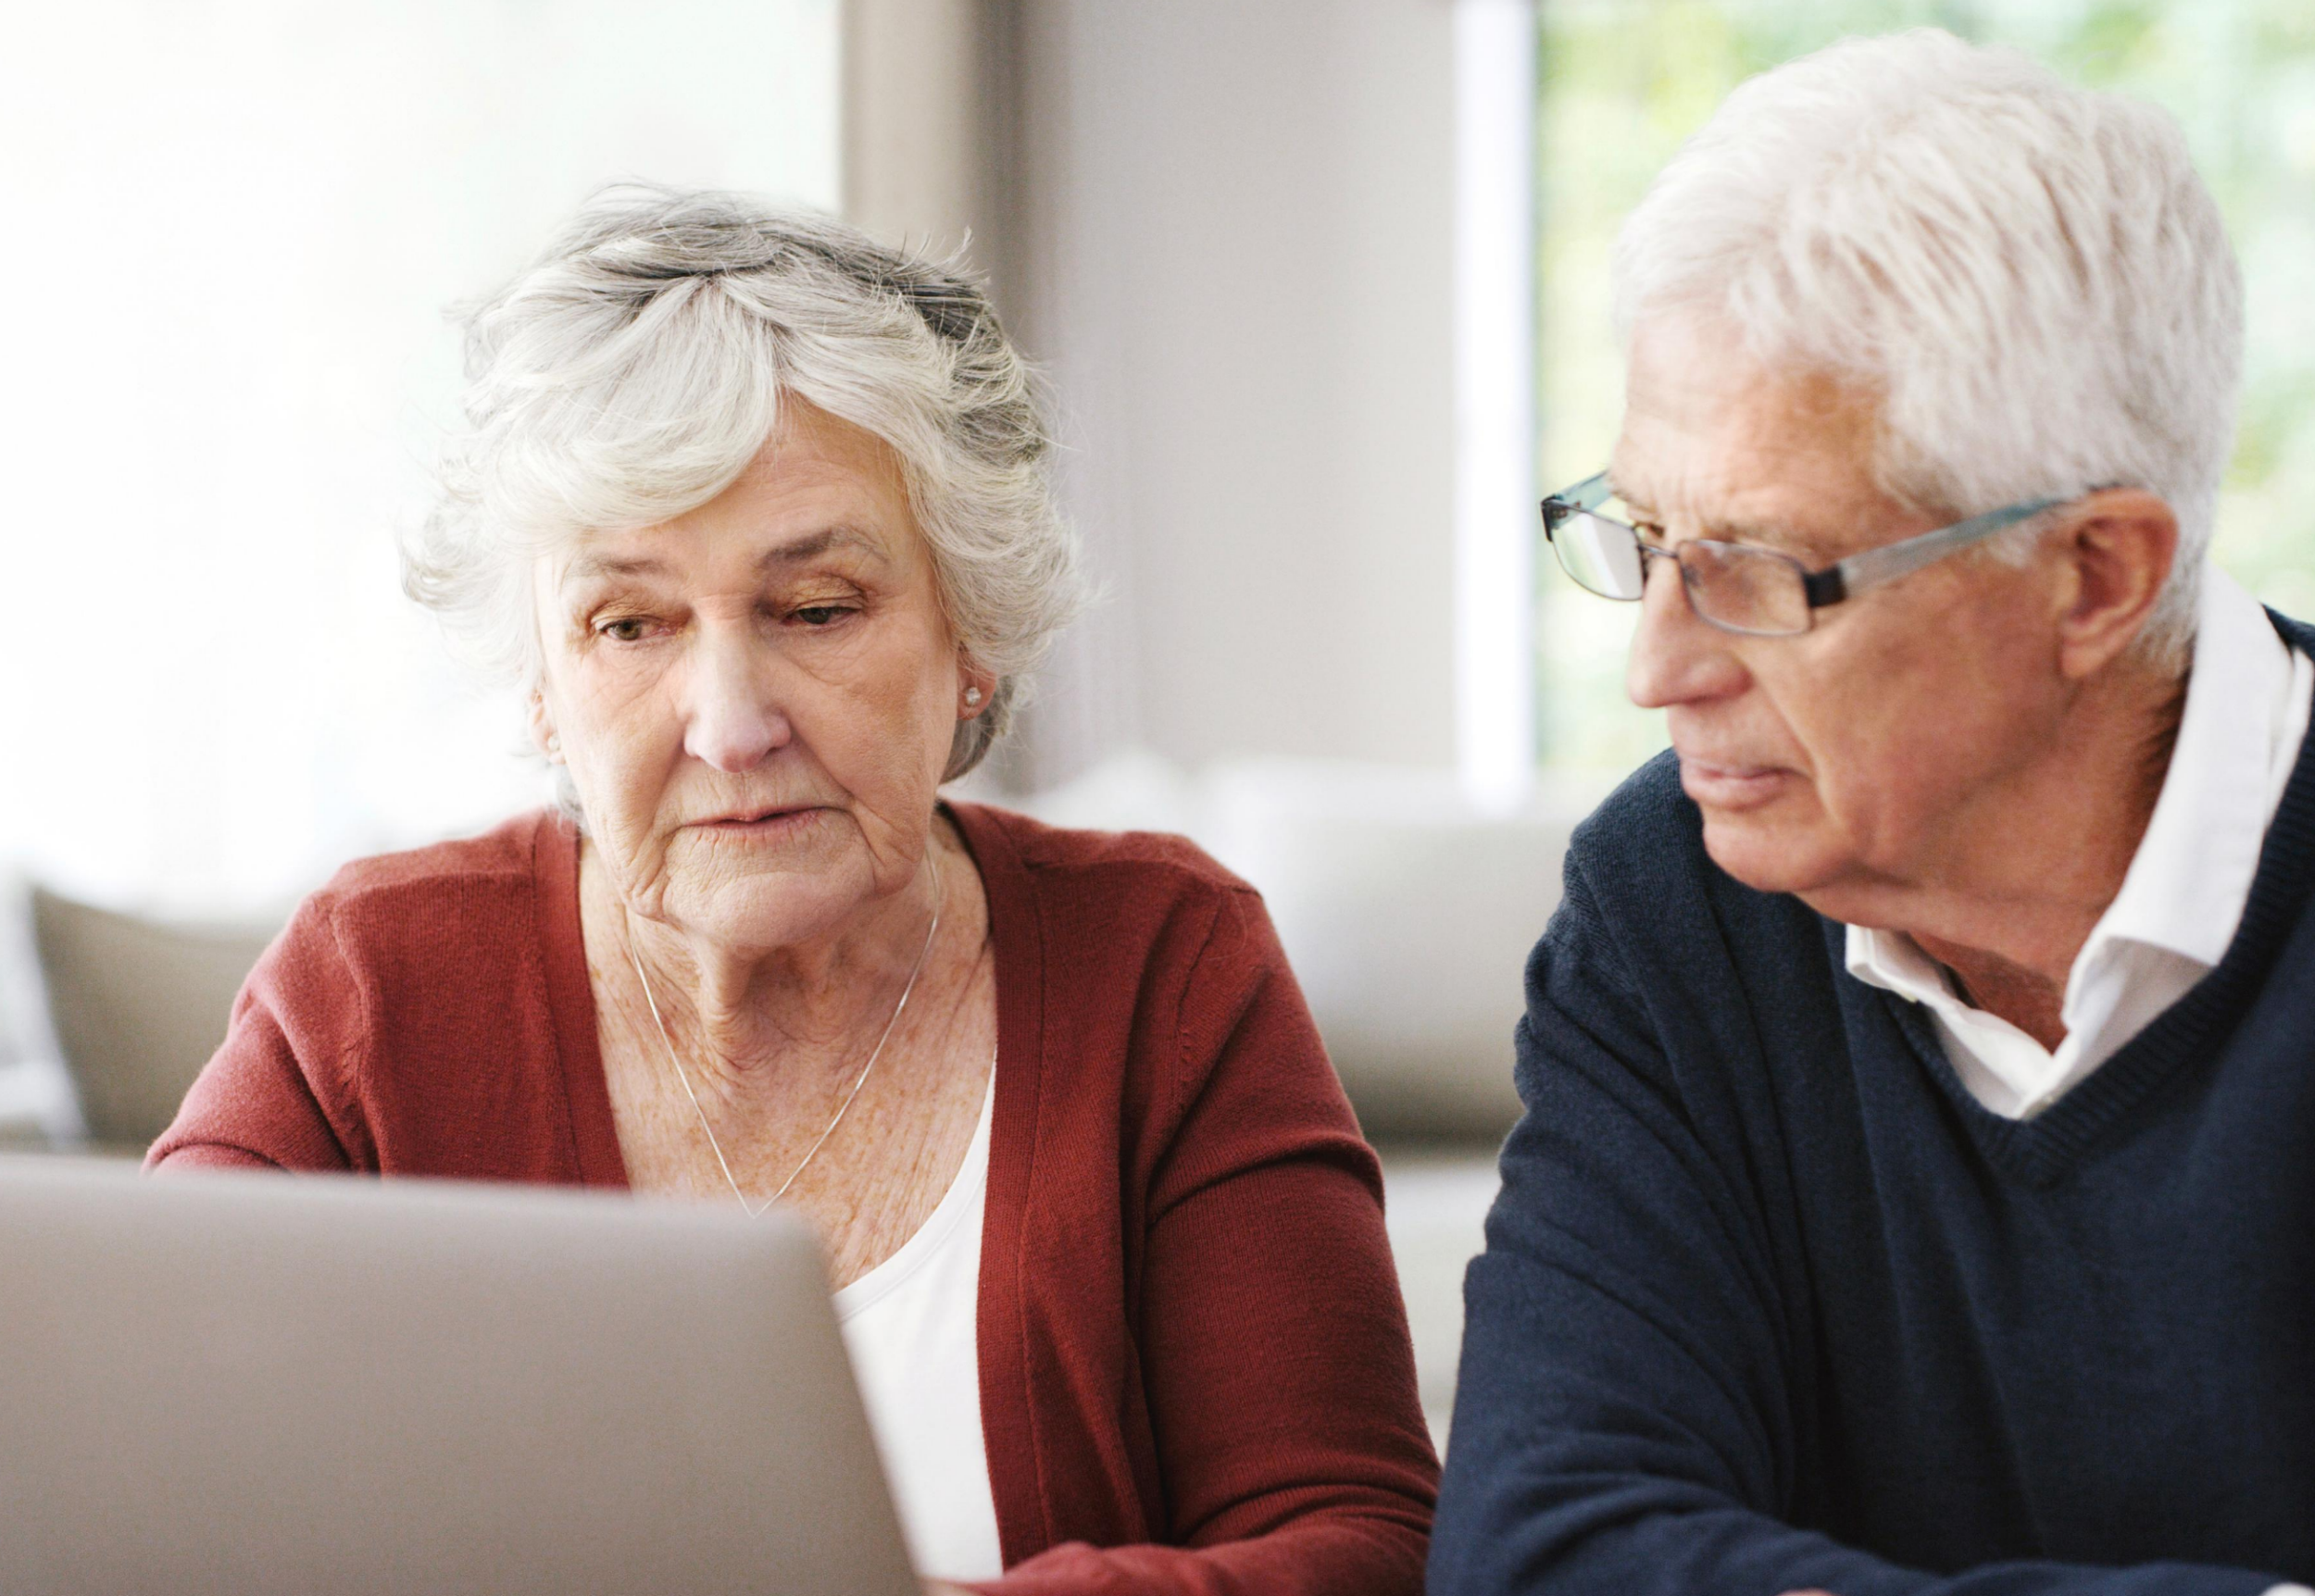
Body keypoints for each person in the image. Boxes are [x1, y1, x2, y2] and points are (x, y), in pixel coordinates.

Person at [150, 186, 1436, 1595]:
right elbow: (136, 1483)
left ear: (971, 636)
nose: (729, 721)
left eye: (816, 607)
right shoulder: (372, 987)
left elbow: (1359, 1547)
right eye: (628, 623)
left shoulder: (1162, 962)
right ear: (541, 684)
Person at [1430, 30, 2315, 1596]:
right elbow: (1541, 1552)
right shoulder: (1673, 903)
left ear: (2093, 575)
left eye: (1760, 571)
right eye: (1642, 538)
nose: (1657, 666)